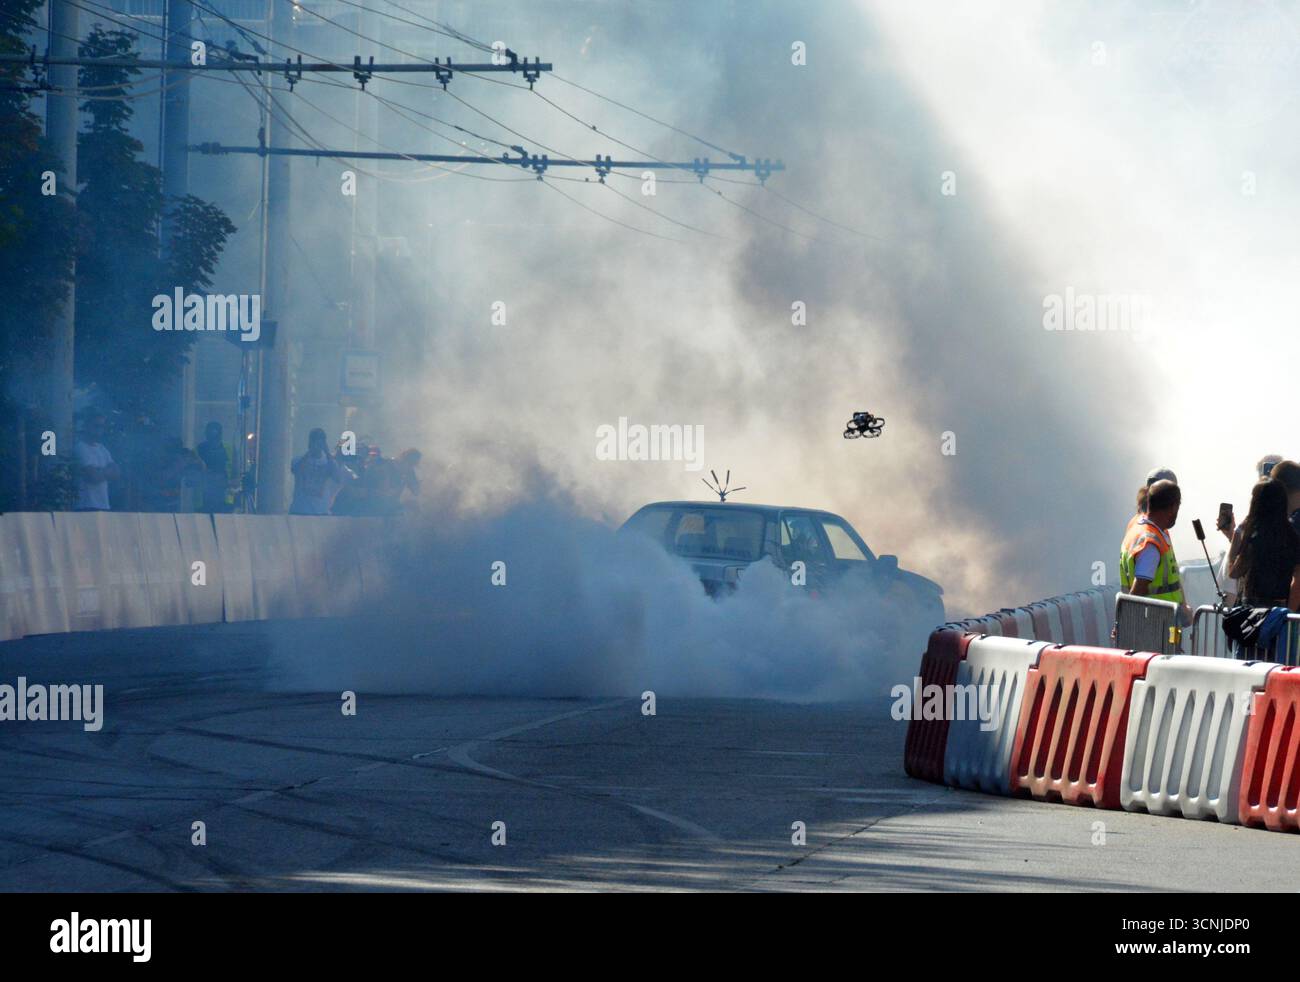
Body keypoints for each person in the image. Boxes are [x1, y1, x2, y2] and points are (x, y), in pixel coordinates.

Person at [1120, 479, 1191, 624]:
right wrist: (1123, 622)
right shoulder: (1151, 544)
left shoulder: (1139, 531)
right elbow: (1138, 589)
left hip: (1156, 627)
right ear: (1173, 507)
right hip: (1153, 629)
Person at [1228, 478, 1300, 611]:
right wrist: (1288, 612)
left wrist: (1238, 533)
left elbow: (1234, 571)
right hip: (1280, 610)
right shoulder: (1291, 536)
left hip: (1252, 611)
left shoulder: (1255, 536)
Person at [290, 428, 344, 515]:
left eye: (320, 441)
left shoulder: (329, 462)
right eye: (314, 441)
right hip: (300, 511)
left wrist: (327, 452)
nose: (317, 445)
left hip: (321, 512)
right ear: (309, 443)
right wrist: (310, 452)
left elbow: (338, 479)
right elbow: (294, 469)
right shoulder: (298, 460)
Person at [73, 411, 120, 511]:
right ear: (86, 426)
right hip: (86, 505)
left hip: (103, 505)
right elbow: (93, 477)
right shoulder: (80, 448)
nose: (99, 430)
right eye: (96, 426)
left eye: (102, 426)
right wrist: (107, 471)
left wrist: (99, 471)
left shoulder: (103, 449)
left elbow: (116, 473)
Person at [196, 421, 233, 513]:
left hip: (225, 498)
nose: (213, 441)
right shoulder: (198, 449)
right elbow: (192, 475)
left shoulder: (229, 449)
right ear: (206, 436)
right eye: (211, 437)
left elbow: (237, 473)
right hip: (204, 499)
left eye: (216, 437)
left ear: (220, 436)